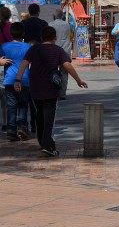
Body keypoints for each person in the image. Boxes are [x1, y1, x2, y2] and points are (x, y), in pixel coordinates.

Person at [14, 26, 88, 156]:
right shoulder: (58, 50)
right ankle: (47, 145)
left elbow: (24, 64)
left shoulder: (34, 49)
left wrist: (18, 80)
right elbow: (67, 66)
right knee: (49, 117)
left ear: (42, 38)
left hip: (35, 87)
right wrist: (78, 80)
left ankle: (43, 142)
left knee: (39, 115)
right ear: (55, 38)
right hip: (51, 89)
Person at [0, 22, 30, 141]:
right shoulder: (27, 47)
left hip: (9, 80)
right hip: (24, 79)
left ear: (10, 34)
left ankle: (11, 130)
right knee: (23, 105)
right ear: (23, 33)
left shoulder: (5, 46)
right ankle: (22, 126)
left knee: (11, 105)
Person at [49, 8, 72, 99]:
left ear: (54, 16)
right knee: (64, 72)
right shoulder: (67, 25)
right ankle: (62, 93)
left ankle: (52, 91)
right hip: (65, 50)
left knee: (52, 70)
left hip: (53, 50)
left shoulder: (50, 24)